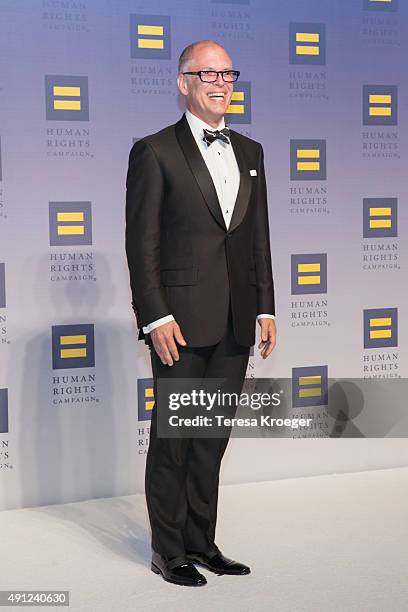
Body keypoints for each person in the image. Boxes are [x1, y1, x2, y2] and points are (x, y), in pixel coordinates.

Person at [125, 40, 276, 587]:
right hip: (180, 324)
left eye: (228, 73)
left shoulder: (253, 152)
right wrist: (154, 315)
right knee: (175, 439)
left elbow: (257, 237)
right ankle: (168, 551)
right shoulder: (155, 151)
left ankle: (200, 543)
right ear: (183, 83)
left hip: (238, 320)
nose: (221, 81)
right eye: (206, 73)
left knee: (211, 440)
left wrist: (265, 306)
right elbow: (141, 244)